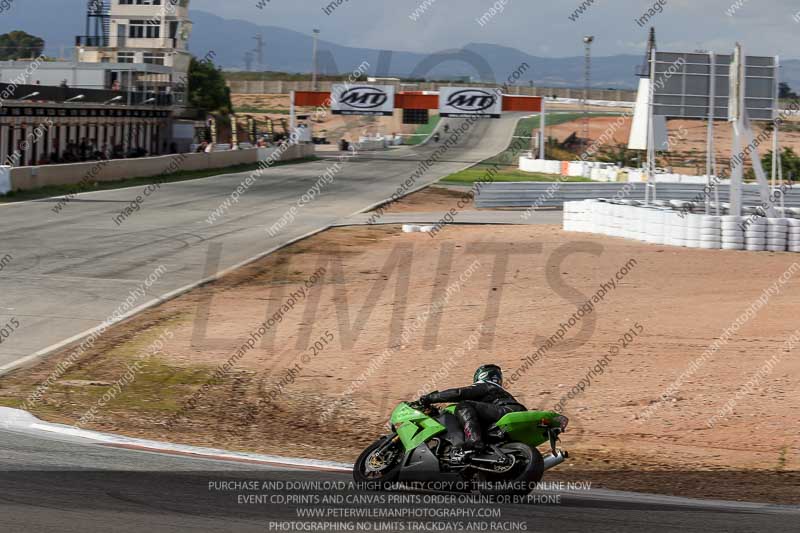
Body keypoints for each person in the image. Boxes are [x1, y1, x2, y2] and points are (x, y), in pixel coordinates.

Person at [419, 365, 526, 455]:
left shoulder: (487, 385)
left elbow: (459, 393)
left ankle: (474, 440)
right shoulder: (500, 392)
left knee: (463, 405)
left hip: (505, 411)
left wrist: (429, 398)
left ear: (482, 376)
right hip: (515, 412)